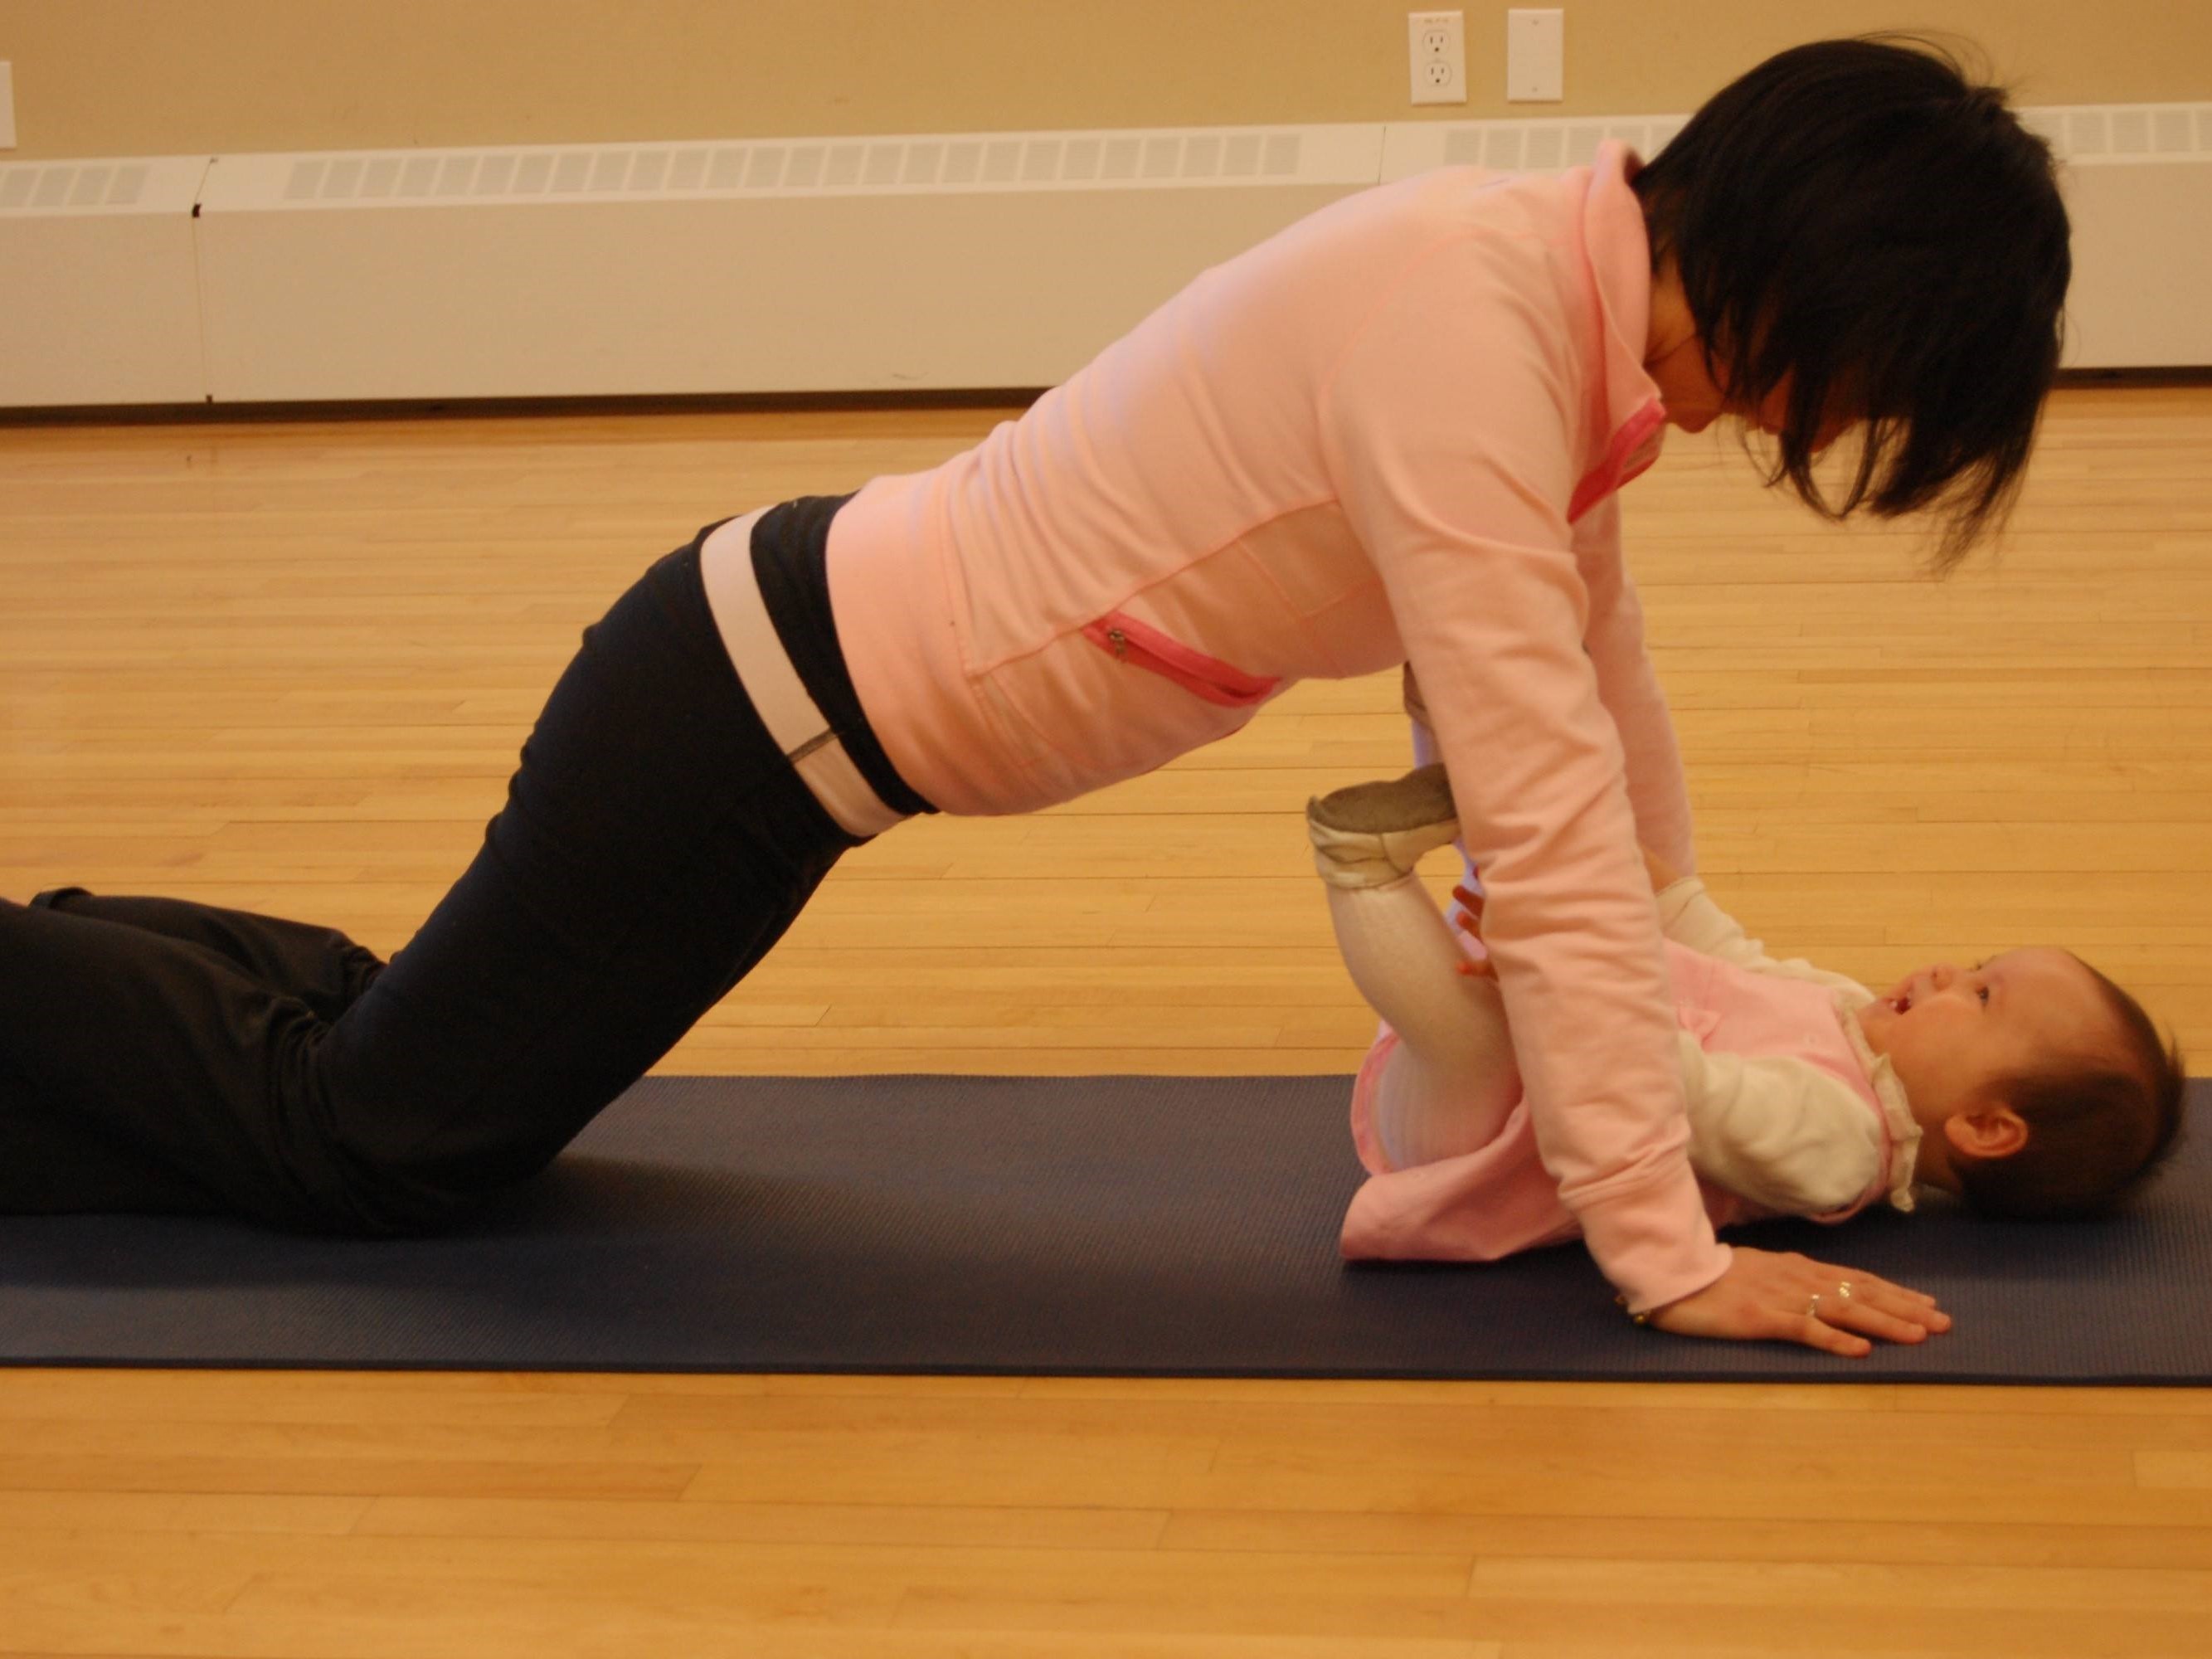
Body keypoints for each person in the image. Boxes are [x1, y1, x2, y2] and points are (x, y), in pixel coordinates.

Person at [0, 38, 2070, 1355]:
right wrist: (1666, 1249)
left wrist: (1688, 949)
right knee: (388, 1145)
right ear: (1816, 282)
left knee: (430, 1067)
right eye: (1867, 392)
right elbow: (1533, 806)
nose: (1821, 433)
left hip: (772, 706)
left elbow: (1594, 721)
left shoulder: (1555, 313)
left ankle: (99, 972)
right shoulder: (1476, 332)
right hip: (744, 715)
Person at [1306, 762, 2187, 1356]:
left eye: (1984, 995)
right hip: (1533, 1063)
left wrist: (1557, 974)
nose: (1952, 970)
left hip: (1479, 1141)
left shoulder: (1842, 1144)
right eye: (1982, 959)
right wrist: (1593, 825)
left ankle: (1360, 867)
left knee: (1480, 1039)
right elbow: (1717, 943)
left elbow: (1674, 1086)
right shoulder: (1852, 1011)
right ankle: (1465, 747)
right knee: (1494, 1015)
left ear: (1986, 1125)